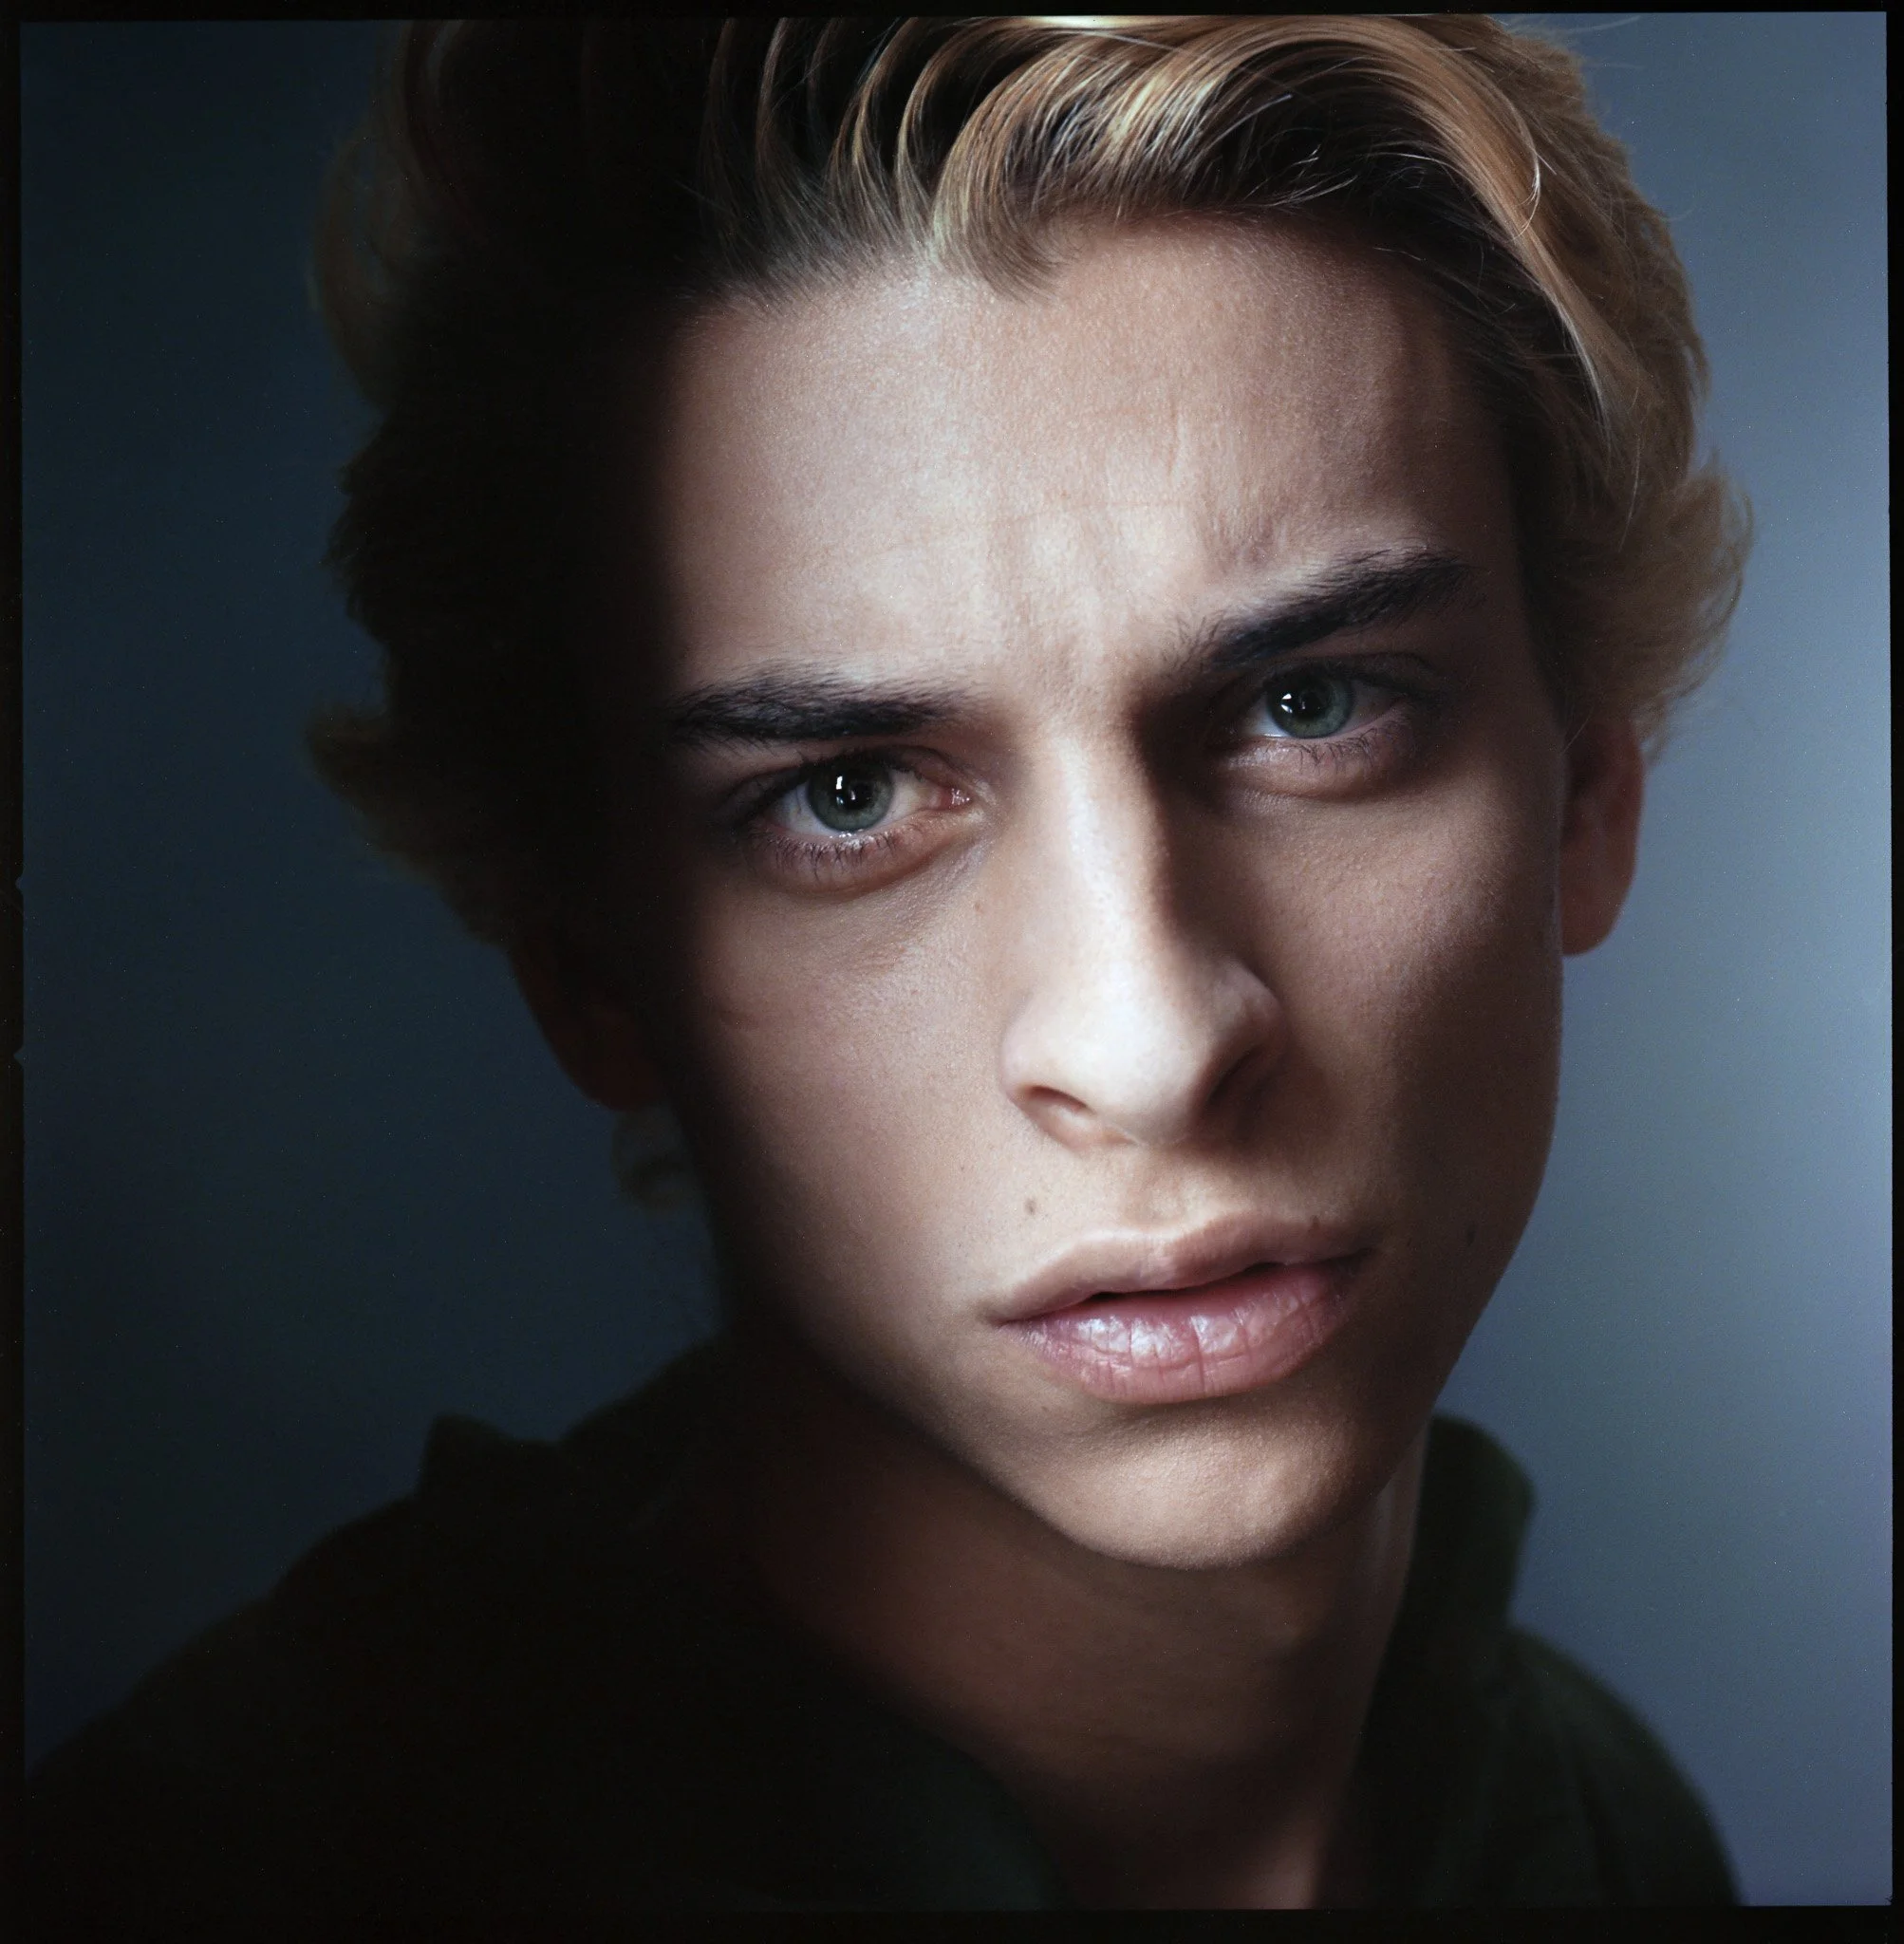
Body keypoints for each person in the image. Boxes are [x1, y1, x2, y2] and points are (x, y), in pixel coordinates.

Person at [26, 16, 1749, 1915]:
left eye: (1310, 703)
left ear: (1588, 791)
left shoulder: (1594, 1833)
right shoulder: (226, 1875)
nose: (1152, 1036)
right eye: (845, 796)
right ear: (589, 966)